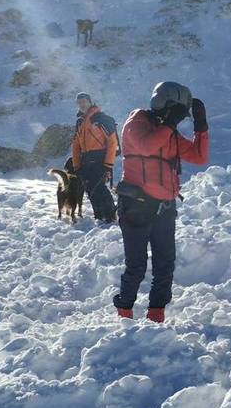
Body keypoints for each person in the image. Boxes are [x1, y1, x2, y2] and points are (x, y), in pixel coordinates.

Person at [112, 81, 209, 322]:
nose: (178, 118)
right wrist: (168, 124)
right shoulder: (136, 122)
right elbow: (146, 147)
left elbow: (198, 157)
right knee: (136, 265)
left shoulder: (169, 133)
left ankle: (156, 315)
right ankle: (124, 314)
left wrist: (201, 127)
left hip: (165, 207)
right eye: (178, 112)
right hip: (136, 206)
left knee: (165, 264)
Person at [71, 92, 118, 223]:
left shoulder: (100, 119)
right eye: (79, 102)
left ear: (90, 102)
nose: (82, 105)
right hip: (86, 160)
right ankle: (99, 216)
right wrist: (77, 165)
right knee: (89, 188)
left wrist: (108, 165)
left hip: (100, 158)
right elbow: (75, 145)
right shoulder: (80, 122)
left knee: (99, 187)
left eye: (84, 101)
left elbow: (112, 142)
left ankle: (110, 217)